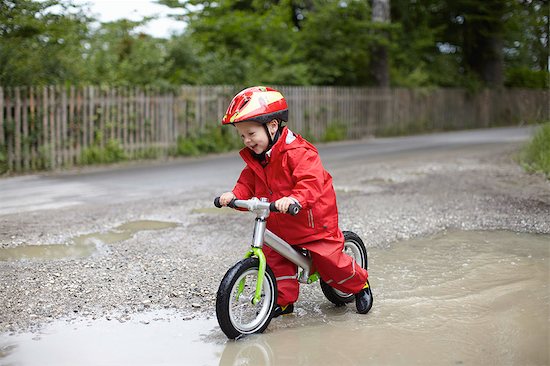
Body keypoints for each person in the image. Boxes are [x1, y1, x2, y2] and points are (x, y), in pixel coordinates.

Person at [218, 86, 372, 316]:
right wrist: (233, 196)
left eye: (251, 134)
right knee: (275, 261)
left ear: (272, 126)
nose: (247, 141)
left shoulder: (298, 152)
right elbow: (247, 182)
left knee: (329, 261)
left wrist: (295, 198)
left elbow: (311, 182)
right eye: (242, 136)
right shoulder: (258, 159)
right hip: (280, 222)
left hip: (311, 221)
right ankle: (282, 301)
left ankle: (360, 285)